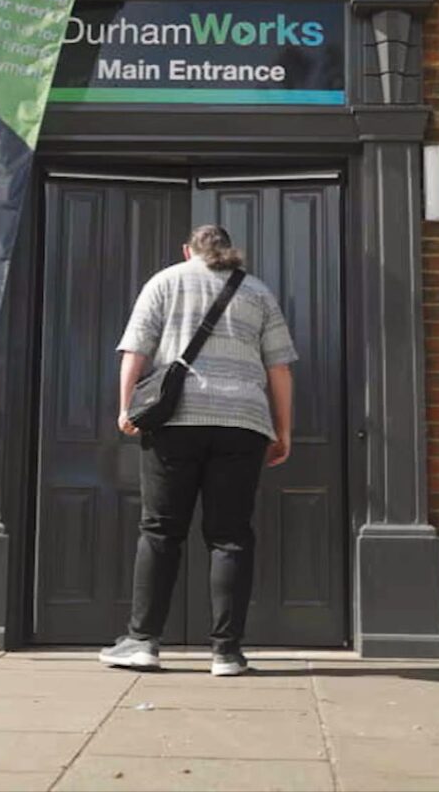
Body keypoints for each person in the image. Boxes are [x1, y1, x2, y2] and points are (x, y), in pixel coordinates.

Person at [98, 224, 297, 677]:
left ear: (188, 250)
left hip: (175, 423)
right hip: (243, 423)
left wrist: (126, 408)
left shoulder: (165, 281)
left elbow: (135, 350)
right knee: (230, 535)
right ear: (229, 252)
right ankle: (227, 653)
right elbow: (279, 368)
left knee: (161, 531)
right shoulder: (258, 292)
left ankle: (143, 642)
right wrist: (283, 430)